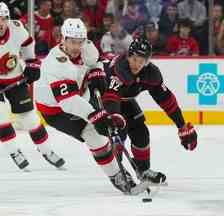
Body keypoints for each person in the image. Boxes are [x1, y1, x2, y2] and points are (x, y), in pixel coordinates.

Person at [35, 18, 148, 194]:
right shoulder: (55, 64)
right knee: (94, 137)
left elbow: (96, 61)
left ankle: (116, 166)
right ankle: (118, 176)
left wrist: (96, 73)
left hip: (79, 94)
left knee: (102, 129)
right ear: (62, 39)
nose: (76, 46)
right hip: (55, 110)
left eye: (79, 42)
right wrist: (96, 116)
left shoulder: (86, 46)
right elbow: (69, 103)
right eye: (72, 42)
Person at [0, 2, 65, 171]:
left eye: (4, 18)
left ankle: (47, 150)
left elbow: (27, 43)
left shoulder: (17, 27)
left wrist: (32, 62)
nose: (0, 23)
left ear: (8, 18)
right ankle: (14, 151)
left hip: (15, 78)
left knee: (30, 118)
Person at [101, 37, 198, 185]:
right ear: (128, 55)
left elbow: (166, 101)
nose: (137, 64)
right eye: (134, 59)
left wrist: (181, 126)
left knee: (141, 132)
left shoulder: (150, 73)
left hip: (125, 99)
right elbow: (111, 97)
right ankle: (117, 173)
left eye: (142, 61)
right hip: (104, 97)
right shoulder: (120, 69)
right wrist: (113, 117)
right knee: (118, 133)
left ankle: (143, 170)